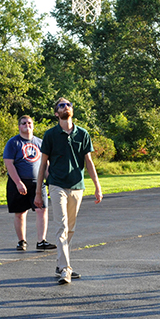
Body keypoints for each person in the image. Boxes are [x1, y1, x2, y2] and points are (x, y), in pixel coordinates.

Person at [34, 98, 103, 285]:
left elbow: (88, 162)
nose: (66, 107)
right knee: (62, 227)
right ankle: (66, 269)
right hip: (56, 185)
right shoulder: (50, 135)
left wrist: (97, 186)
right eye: (61, 106)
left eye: (68, 105)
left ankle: (60, 264)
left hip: (77, 186)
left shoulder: (83, 134)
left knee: (70, 228)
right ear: (56, 113)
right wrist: (38, 192)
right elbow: (42, 165)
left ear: (72, 110)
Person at [3, 115, 56, 252]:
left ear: (33, 125)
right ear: (19, 126)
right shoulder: (13, 143)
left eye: (29, 123)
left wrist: (49, 182)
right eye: (23, 123)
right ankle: (21, 241)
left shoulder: (40, 142)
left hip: (38, 183)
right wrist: (18, 182)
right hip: (19, 182)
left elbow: (45, 164)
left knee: (42, 210)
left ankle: (41, 241)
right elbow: (9, 164)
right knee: (20, 212)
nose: (27, 125)